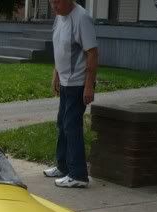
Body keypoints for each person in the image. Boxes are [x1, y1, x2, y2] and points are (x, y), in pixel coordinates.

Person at [42, 0, 98, 189]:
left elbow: (92, 53)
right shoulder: (60, 17)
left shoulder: (81, 18)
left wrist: (89, 86)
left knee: (71, 126)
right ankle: (63, 167)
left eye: (57, 2)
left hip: (78, 83)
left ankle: (78, 175)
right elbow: (60, 47)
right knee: (62, 123)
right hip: (65, 81)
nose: (54, 6)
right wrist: (56, 74)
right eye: (51, 2)